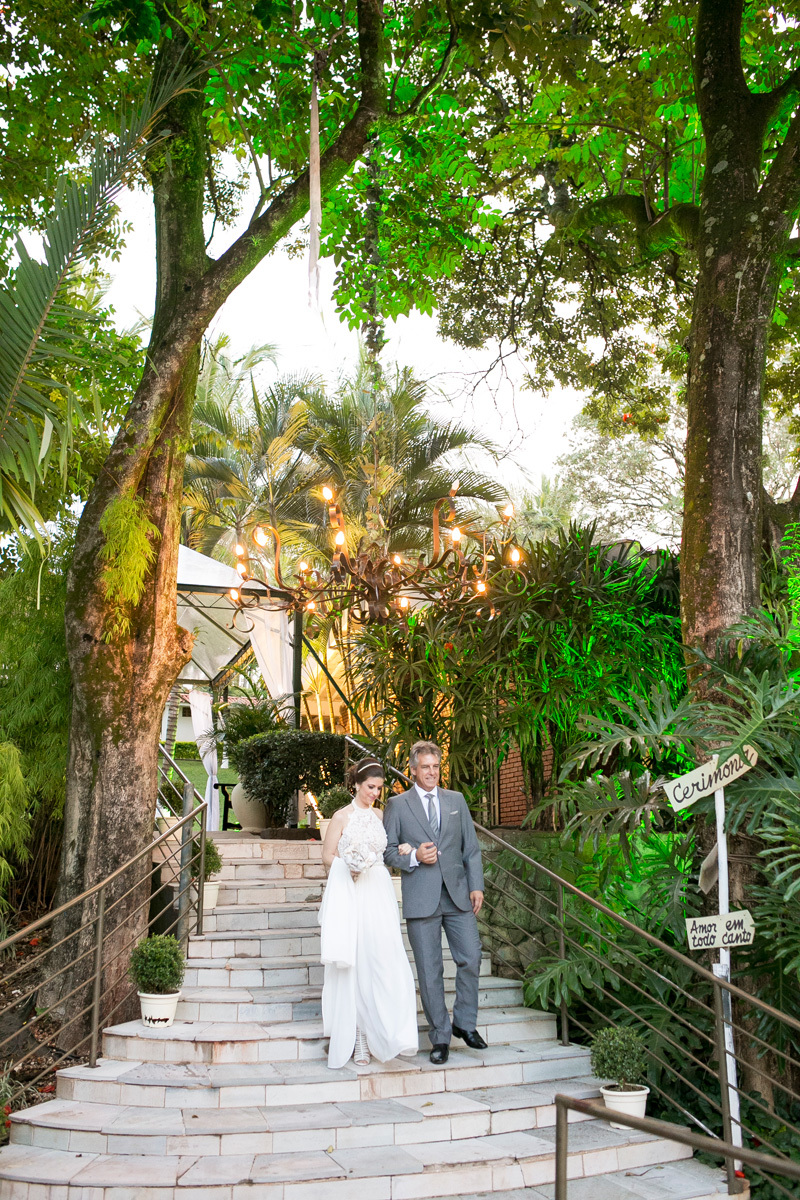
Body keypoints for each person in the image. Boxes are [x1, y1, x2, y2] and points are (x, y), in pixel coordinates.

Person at [383, 740, 485, 1065]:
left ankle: (464, 1024)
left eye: (436, 767)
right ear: (413, 769)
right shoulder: (397, 805)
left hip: (458, 895)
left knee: (471, 956)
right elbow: (386, 851)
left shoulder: (456, 800)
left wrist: (476, 886)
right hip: (421, 898)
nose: (432, 773)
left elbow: (470, 848)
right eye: (425, 767)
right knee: (430, 971)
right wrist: (413, 855)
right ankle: (439, 1037)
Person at [318, 756, 419, 1069]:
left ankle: (388, 1032)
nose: (375, 792)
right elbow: (326, 856)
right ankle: (359, 1037)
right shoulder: (341, 817)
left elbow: (390, 848)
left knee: (384, 959)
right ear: (357, 785)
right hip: (353, 890)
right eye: (371, 787)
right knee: (358, 961)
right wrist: (348, 868)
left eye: (379, 788)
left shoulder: (381, 814)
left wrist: (403, 849)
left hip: (380, 889)